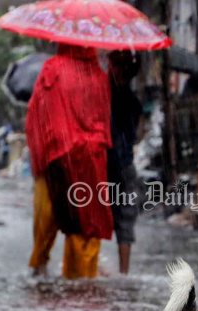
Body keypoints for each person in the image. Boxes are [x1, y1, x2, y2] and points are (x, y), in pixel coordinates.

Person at [25, 44, 114, 279]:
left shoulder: (52, 69)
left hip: (55, 154)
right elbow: (103, 120)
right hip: (89, 159)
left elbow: (37, 113)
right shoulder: (99, 76)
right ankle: (80, 276)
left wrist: (44, 147)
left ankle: (40, 263)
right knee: (86, 222)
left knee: (47, 214)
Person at [107, 51, 143, 275]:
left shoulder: (105, 95)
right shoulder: (133, 102)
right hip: (122, 165)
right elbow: (137, 134)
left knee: (97, 216)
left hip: (106, 165)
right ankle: (123, 273)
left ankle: (119, 272)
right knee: (125, 220)